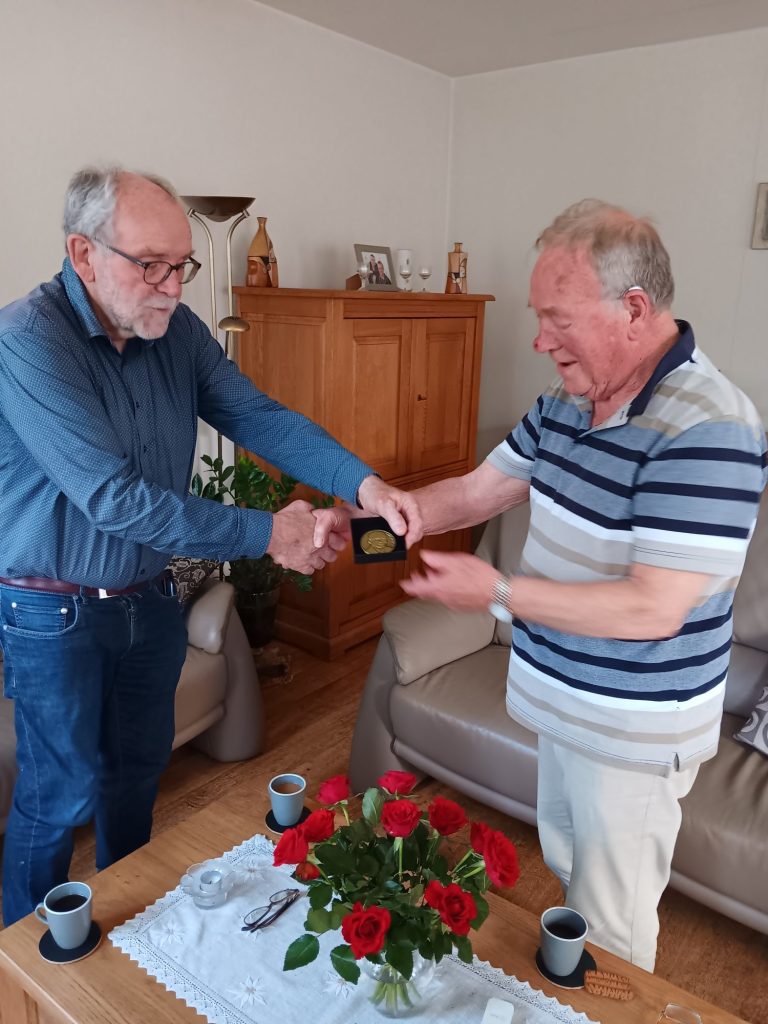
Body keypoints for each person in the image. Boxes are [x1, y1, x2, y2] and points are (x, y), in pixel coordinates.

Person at [0, 166, 421, 925]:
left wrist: (363, 486)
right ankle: (32, 967)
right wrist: (271, 532)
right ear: (82, 252)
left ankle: (131, 926)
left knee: (137, 776)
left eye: (181, 264)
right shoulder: (29, 340)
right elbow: (114, 499)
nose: (172, 286)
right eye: (149, 265)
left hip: (150, 600)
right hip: (52, 613)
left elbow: (257, 415)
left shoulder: (177, 333)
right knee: (56, 795)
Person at [400, 199, 766, 971]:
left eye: (556, 318)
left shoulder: (710, 425)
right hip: (561, 701)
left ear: (633, 309)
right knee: (571, 877)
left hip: (632, 731)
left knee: (612, 928)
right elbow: (475, 493)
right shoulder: (566, 401)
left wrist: (496, 593)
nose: (539, 341)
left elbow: (652, 607)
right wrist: (375, 518)